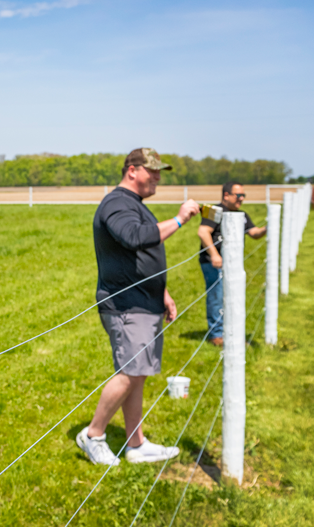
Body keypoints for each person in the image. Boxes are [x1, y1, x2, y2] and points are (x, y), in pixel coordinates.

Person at [76, 148, 200, 466]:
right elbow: (135, 238)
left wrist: (163, 292)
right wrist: (179, 219)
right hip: (125, 304)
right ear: (132, 170)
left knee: (139, 373)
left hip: (145, 302)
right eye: (152, 171)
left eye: (160, 172)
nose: (158, 177)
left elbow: (140, 259)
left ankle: (136, 443)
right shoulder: (117, 203)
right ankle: (93, 435)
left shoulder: (135, 205)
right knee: (130, 372)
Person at [198, 181, 266, 346]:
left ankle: (231, 331)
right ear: (226, 195)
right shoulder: (214, 211)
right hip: (213, 263)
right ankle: (217, 335)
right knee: (217, 297)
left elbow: (254, 233)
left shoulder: (241, 214)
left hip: (232, 264)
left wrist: (268, 227)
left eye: (243, 195)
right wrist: (214, 255)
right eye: (238, 195)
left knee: (233, 296)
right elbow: (203, 232)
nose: (241, 199)